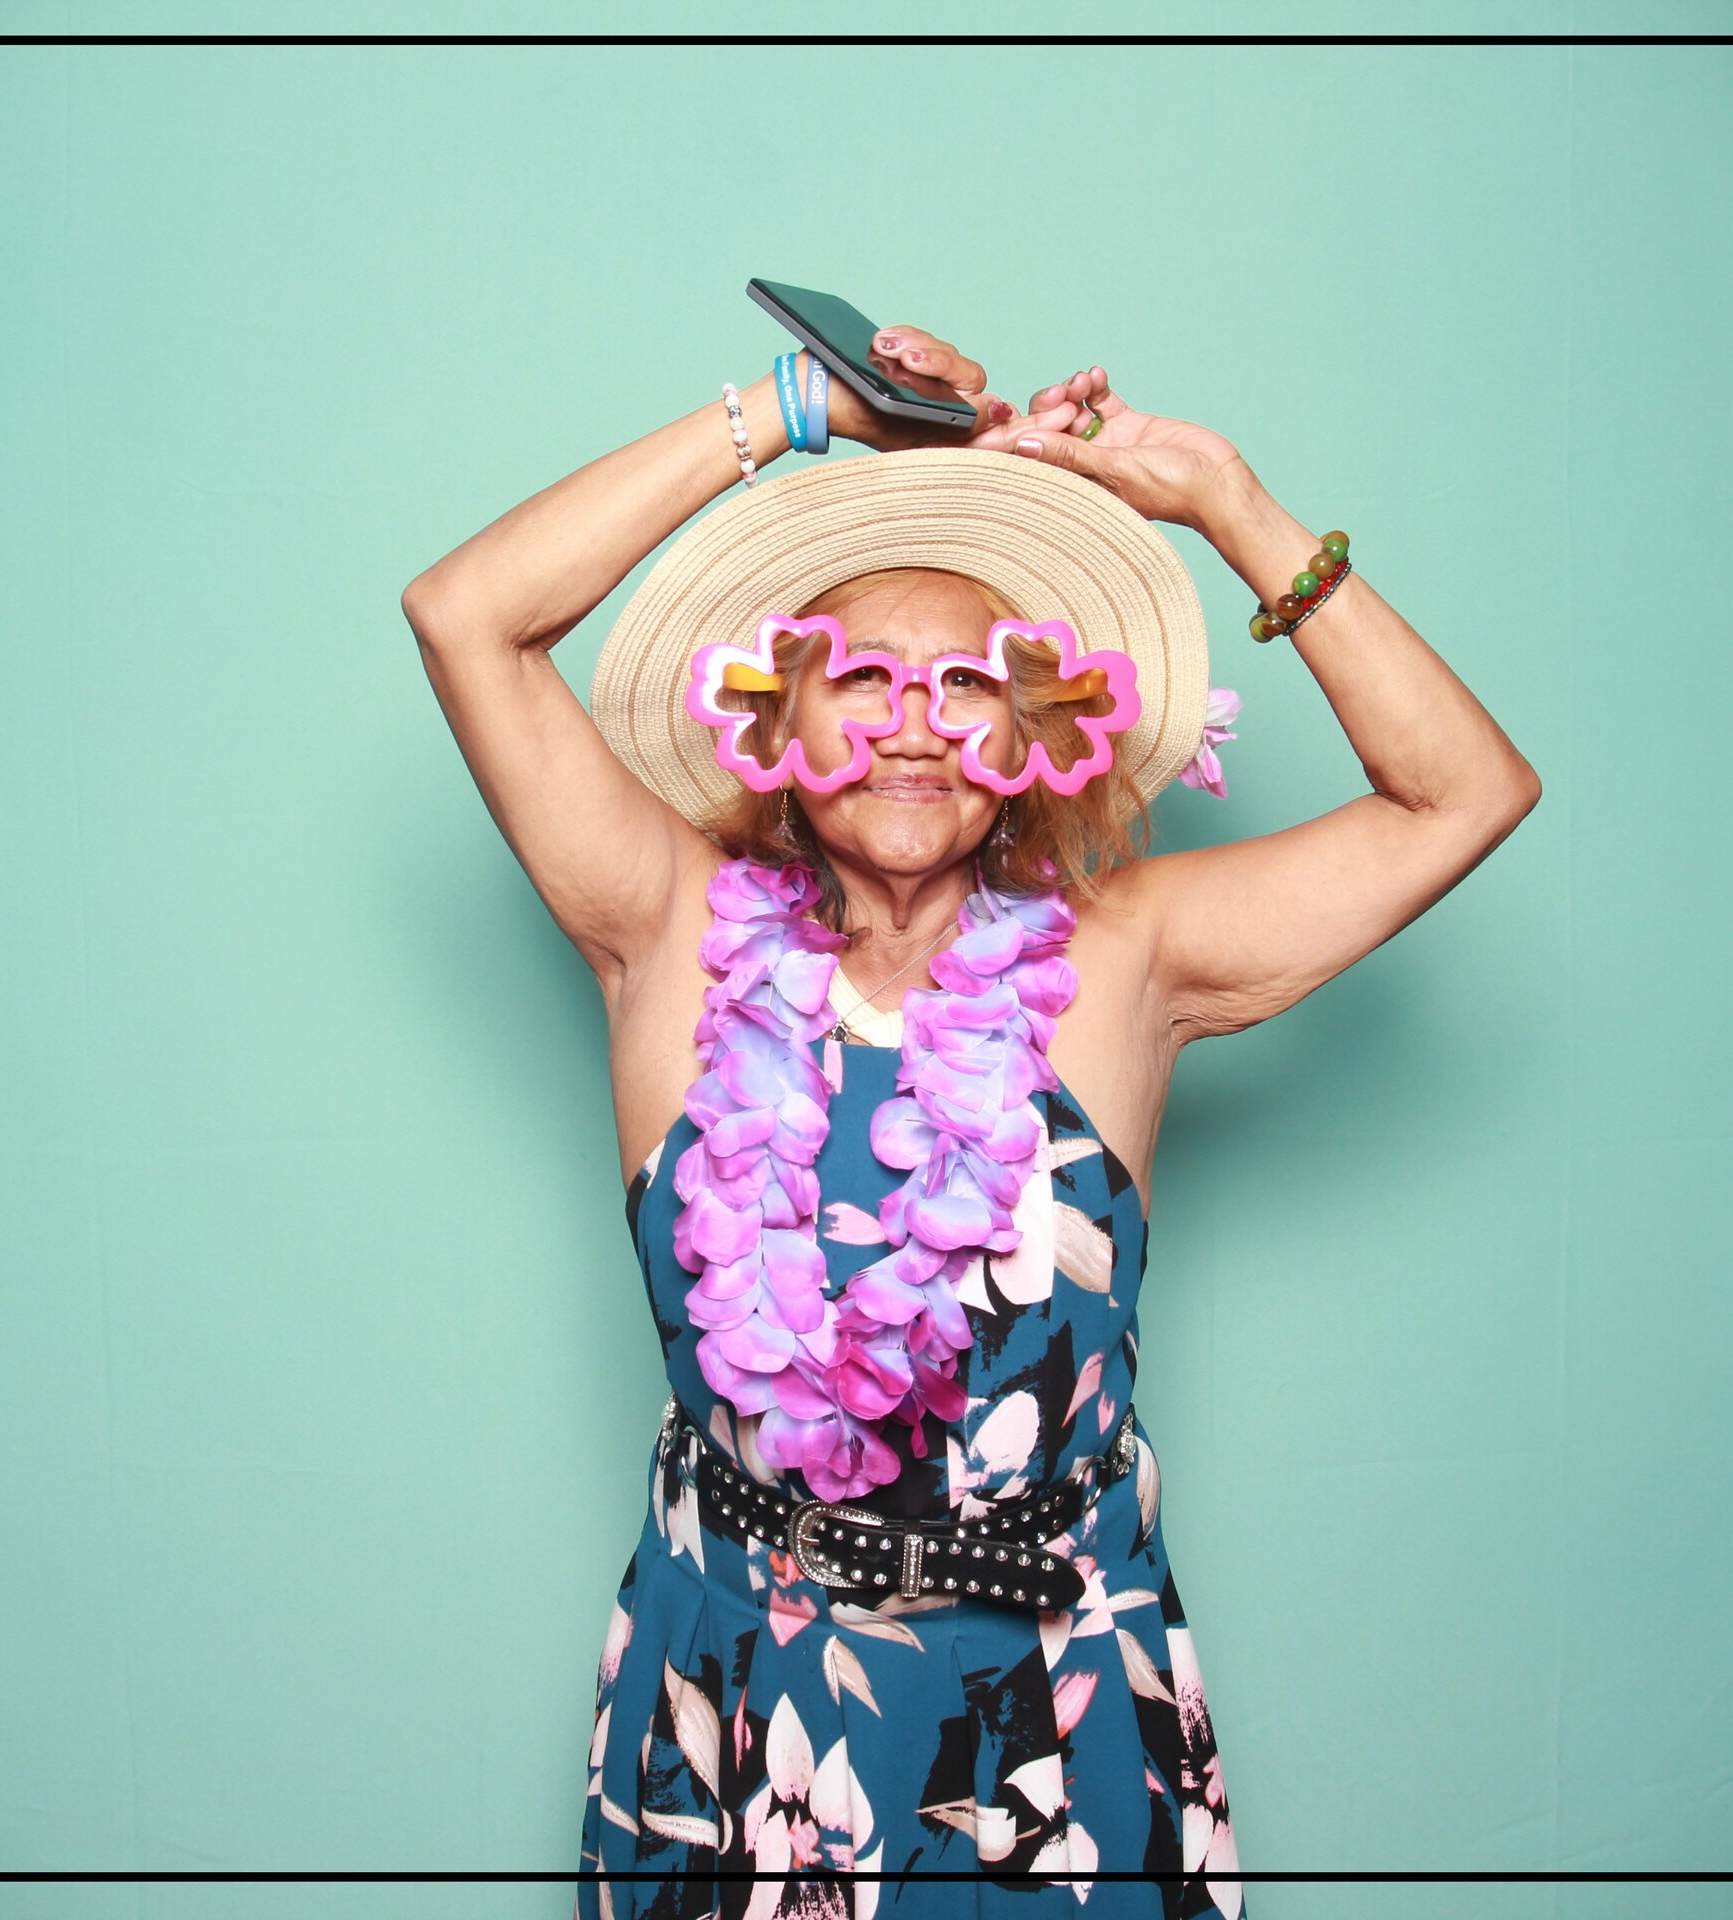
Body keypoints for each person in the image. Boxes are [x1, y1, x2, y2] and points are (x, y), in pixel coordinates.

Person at [402, 323, 1541, 1918]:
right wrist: (801, 409)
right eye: (861, 678)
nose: (918, 723)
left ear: (1035, 739)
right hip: (738, 1692)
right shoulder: (671, 934)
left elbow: (1465, 793)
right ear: (773, 720)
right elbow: (466, 616)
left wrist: (1229, 500)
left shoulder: (1128, 960)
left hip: (1050, 1707)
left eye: (971, 686)